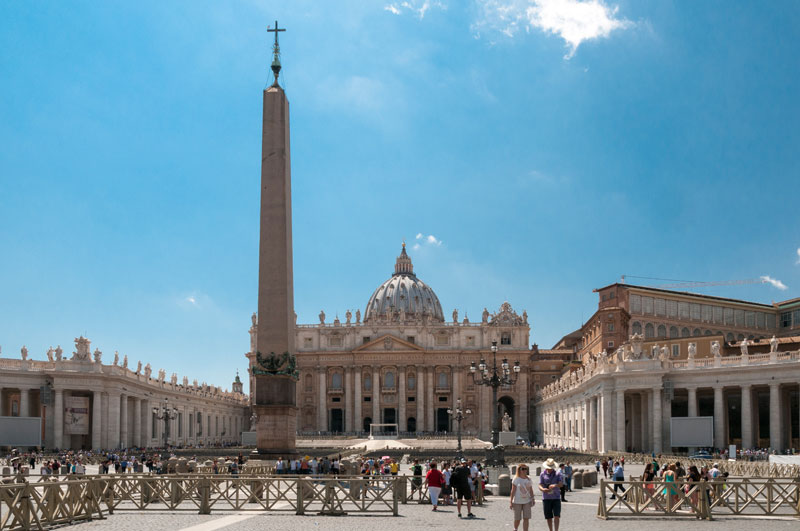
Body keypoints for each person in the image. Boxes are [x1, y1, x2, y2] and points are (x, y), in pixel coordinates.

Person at [539, 458, 563, 531]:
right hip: (546, 498)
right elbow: (540, 484)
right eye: (548, 467)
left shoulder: (558, 474)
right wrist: (542, 489)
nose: (549, 469)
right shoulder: (542, 474)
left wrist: (555, 485)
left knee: (557, 516)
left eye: (551, 468)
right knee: (548, 517)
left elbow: (561, 484)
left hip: (556, 497)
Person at [510, 464, 535, 531]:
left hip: (527, 501)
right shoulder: (516, 479)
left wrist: (533, 499)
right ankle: (515, 529)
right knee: (517, 518)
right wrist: (511, 502)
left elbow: (531, 490)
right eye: (522, 469)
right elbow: (513, 491)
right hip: (517, 501)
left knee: (526, 518)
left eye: (525, 469)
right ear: (519, 470)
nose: (524, 470)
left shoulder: (529, 479)